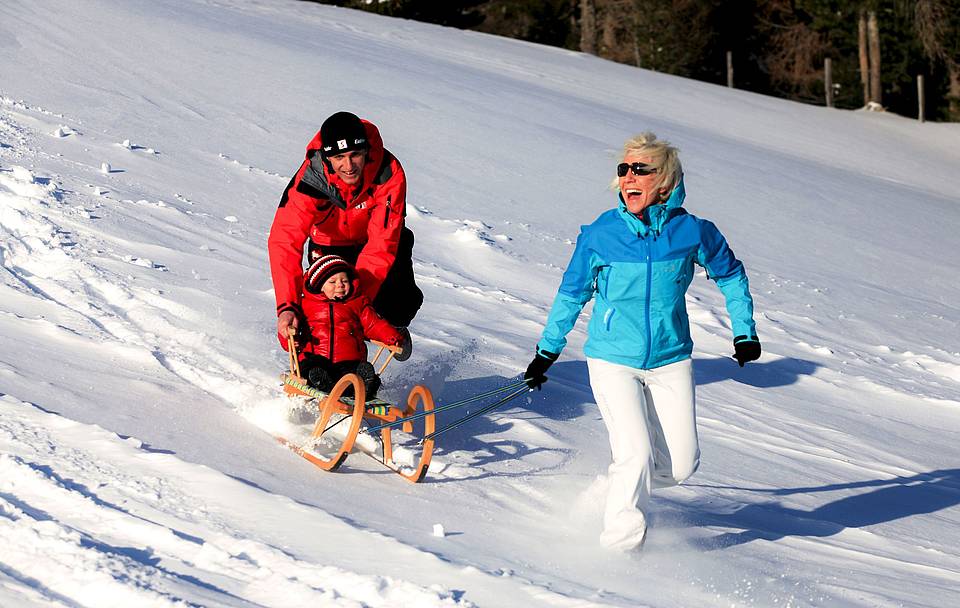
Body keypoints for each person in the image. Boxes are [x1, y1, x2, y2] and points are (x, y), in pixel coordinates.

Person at [524, 132, 761, 551]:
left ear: (665, 183)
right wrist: (547, 351)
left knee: (682, 465)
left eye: (640, 170)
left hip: (671, 359)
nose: (628, 177)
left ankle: (617, 487)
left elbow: (731, 275)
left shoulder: (693, 232)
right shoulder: (602, 233)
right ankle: (619, 555)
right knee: (635, 453)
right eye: (623, 170)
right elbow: (571, 293)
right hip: (613, 359)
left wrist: (743, 331)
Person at [268, 111, 423, 347]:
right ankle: (320, 364)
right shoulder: (311, 179)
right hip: (329, 246)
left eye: (355, 155)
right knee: (323, 312)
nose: (348, 166)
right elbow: (284, 239)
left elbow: (381, 244)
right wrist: (287, 307)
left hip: (375, 243)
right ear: (328, 157)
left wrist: (358, 305)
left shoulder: (388, 173)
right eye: (339, 157)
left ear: (366, 151)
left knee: (401, 306)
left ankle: (386, 323)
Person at [282, 254, 404, 399]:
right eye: (332, 282)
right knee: (310, 368)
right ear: (319, 286)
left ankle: (362, 386)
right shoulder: (306, 305)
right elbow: (290, 330)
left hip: (348, 361)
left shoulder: (357, 304)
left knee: (360, 371)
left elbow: (373, 324)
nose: (340, 285)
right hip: (316, 358)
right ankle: (321, 383)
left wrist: (392, 336)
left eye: (344, 281)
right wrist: (291, 341)